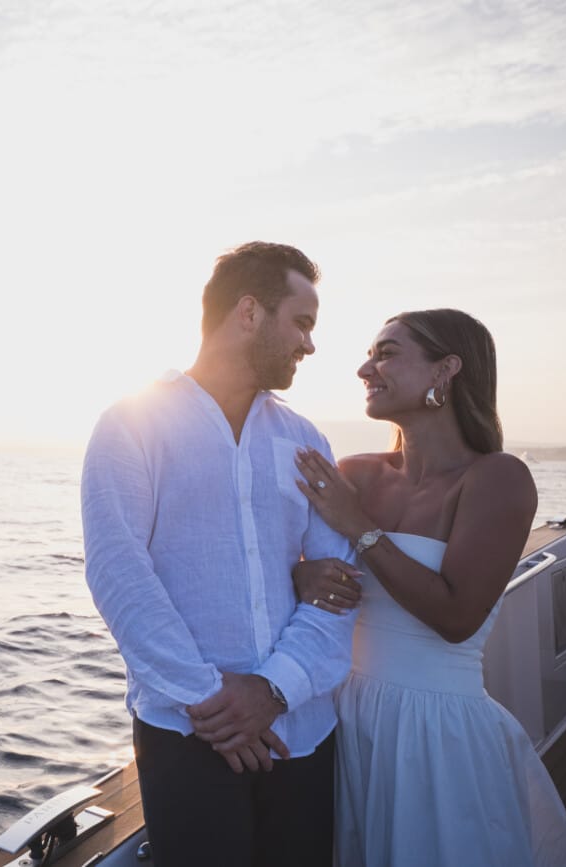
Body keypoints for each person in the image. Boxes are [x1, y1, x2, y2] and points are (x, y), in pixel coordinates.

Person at [81, 241, 358, 867]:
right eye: (303, 322)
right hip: (187, 734)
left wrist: (274, 690)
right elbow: (119, 572)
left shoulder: (304, 439)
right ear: (251, 312)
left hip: (303, 733)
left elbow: (337, 590)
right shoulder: (133, 423)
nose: (310, 345)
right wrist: (210, 698)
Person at [291, 308, 566, 867]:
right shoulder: (353, 473)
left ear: (444, 370)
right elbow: (294, 579)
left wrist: (360, 529)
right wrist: (300, 573)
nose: (363, 369)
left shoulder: (497, 477)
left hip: (433, 733)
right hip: (340, 717)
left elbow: (456, 619)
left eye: (386, 353)